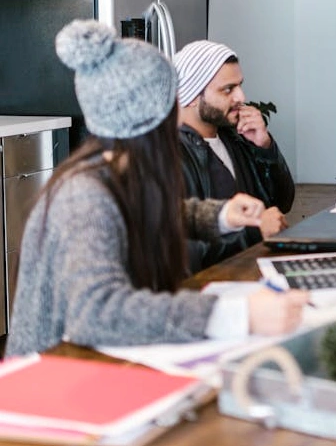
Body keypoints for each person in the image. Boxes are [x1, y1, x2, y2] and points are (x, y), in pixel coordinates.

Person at [6, 20, 308, 357]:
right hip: (53, 376)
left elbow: (154, 214)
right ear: (152, 119)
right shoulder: (84, 195)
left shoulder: (118, 173)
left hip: (93, 360)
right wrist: (237, 315)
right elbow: (98, 312)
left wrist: (221, 216)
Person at [173, 40, 296, 270]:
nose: (241, 96)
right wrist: (256, 232)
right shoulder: (168, 155)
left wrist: (265, 147)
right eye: (227, 89)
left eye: (239, 85)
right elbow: (184, 251)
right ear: (191, 96)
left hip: (255, 275)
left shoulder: (236, 138)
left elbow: (283, 202)